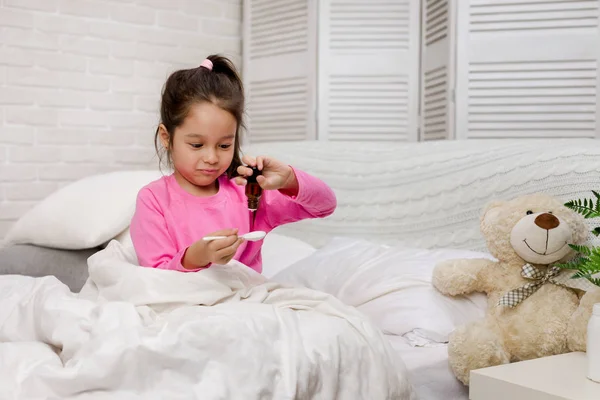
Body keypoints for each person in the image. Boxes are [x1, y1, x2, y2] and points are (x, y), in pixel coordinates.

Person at [130, 55, 336, 273]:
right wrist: (195, 257)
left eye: (224, 145)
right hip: (186, 302)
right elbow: (154, 277)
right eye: (197, 144)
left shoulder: (248, 192)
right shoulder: (153, 200)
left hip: (243, 300)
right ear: (166, 136)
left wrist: (289, 179)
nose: (211, 157)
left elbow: (325, 205)